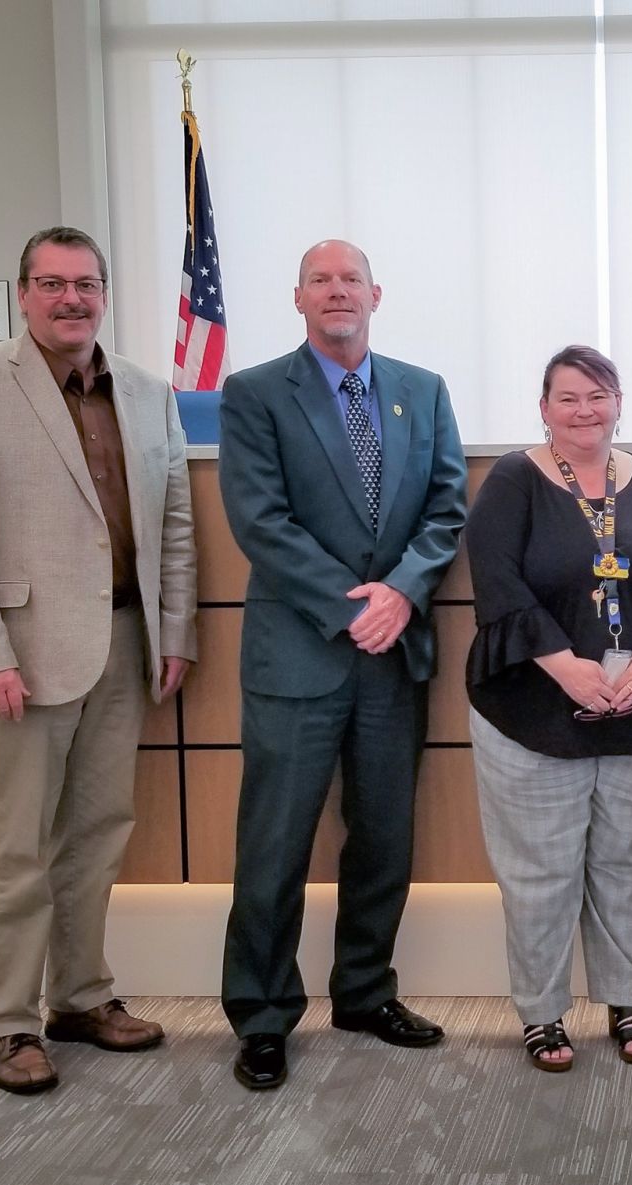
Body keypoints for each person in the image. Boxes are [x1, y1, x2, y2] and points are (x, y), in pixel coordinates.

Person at [0, 226, 197, 1094]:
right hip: (25, 656)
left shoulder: (148, 391)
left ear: (104, 293)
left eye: (85, 284)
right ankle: (9, 1023)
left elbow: (176, 522)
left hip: (126, 643)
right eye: (51, 283)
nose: (70, 298)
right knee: (19, 848)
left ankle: (81, 996)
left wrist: (175, 630)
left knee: (99, 833)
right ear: (24, 292)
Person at [218, 239, 467, 1090]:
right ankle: (260, 1015)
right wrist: (356, 603)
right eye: (320, 280)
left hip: (395, 655)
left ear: (376, 294)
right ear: (297, 299)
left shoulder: (421, 392)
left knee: (384, 840)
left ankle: (365, 991)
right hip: (299, 653)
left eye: (350, 279)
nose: (337, 292)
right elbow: (261, 521)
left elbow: (446, 507)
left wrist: (400, 591)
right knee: (275, 844)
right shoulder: (253, 394)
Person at [463, 345, 632, 1072]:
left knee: (627, 862)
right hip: (532, 710)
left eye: (598, 395)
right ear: (543, 407)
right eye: (568, 398)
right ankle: (542, 1012)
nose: (584, 410)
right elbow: (498, 583)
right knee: (540, 872)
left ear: (619, 401)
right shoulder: (514, 480)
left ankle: (625, 997)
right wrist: (566, 667)